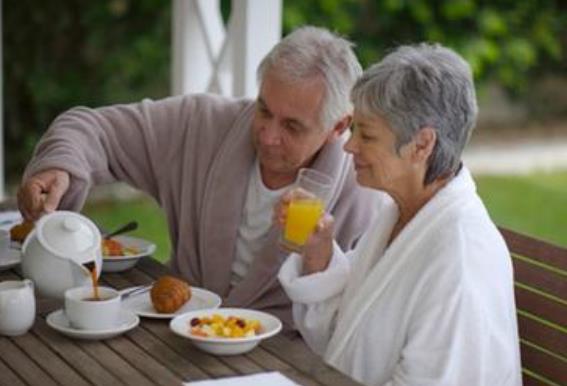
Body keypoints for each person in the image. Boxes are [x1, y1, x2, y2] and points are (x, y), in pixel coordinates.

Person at [17, 26, 381, 328]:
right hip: (173, 331)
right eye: (264, 110)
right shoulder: (201, 124)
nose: (268, 135)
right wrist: (59, 166)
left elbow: (352, 327)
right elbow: (90, 127)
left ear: (338, 127)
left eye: (292, 126)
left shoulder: (363, 195)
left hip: (280, 361)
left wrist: (319, 260)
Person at [276, 43, 522, 385]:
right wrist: (318, 254)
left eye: (367, 134)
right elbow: (345, 342)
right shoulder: (402, 215)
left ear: (421, 145)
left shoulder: (461, 260)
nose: (349, 146)